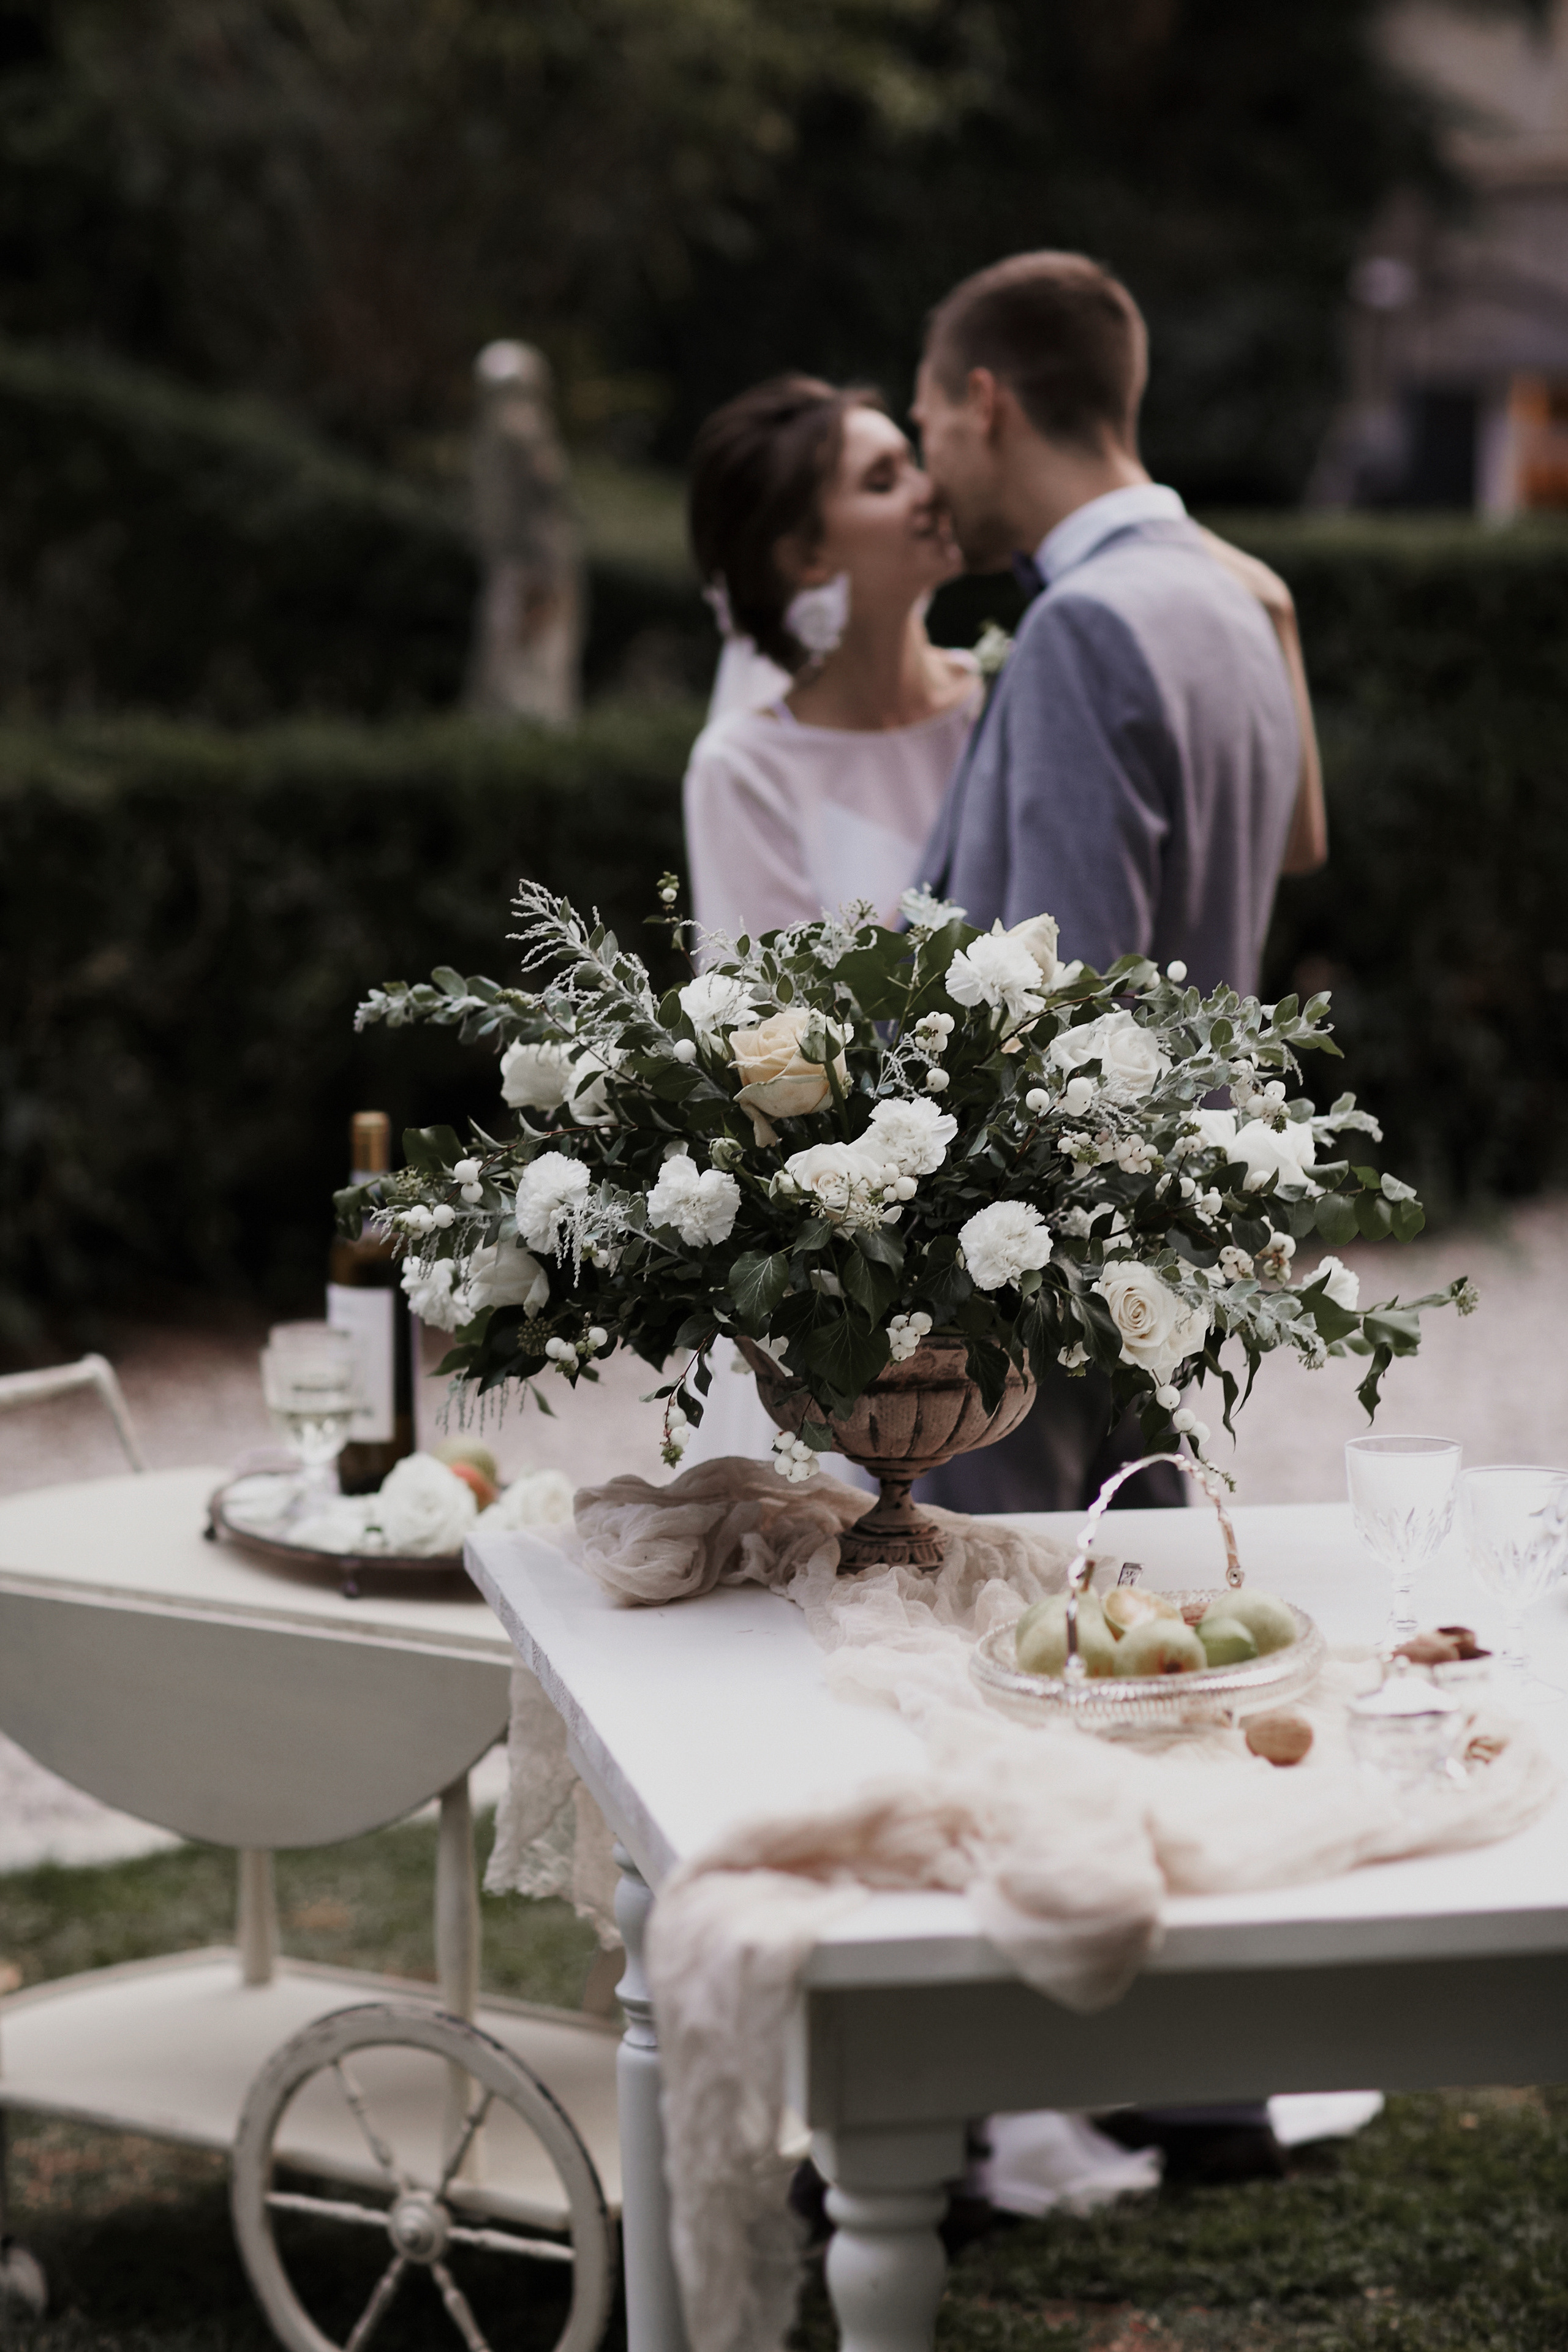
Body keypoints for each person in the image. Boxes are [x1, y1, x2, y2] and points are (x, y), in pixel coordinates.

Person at [910, 249, 1322, 1517]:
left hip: (1019, 1315)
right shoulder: (1236, 598)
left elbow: (1055, 1005)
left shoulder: (1084, 625)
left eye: (924, 421)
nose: (927, 463)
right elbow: (1295, 846)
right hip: (1147, 1276)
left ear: (985, 402)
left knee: (995, 1659)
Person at [677, 374, 983, 1477]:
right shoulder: (747, 768)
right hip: (863, 1277)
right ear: (810, 555)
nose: (926, 485)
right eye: (882, 476)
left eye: (914, 457)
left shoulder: (999, 709)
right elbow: (773, 1058)